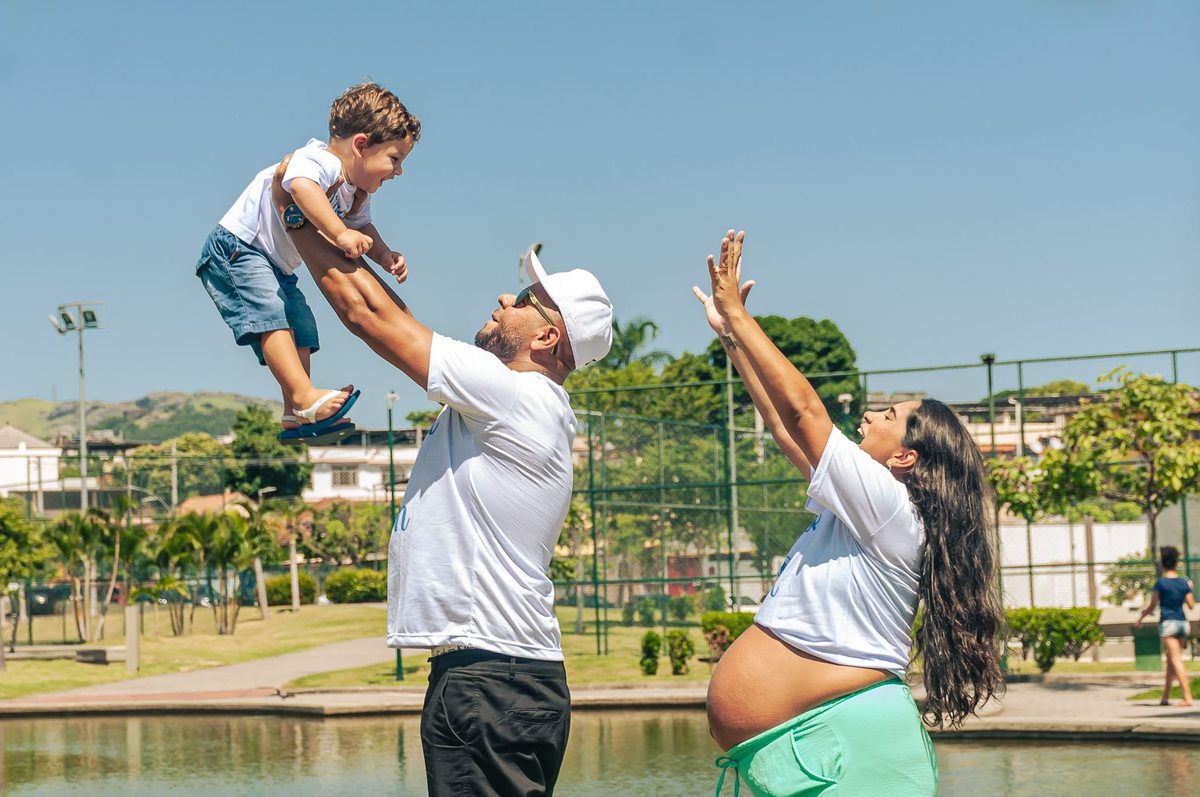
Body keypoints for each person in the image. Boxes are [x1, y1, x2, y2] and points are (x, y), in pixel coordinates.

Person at [270, 167, 613, 796]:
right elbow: (398, 317)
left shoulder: (518, 398)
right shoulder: (508, 402)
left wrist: (298, 217)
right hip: (497, 675)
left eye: (523, 300)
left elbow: (372, 317)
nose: (503, 302)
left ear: (546, 336)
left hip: (492, 679)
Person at [693, 231, 1004, 797]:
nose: (866, 417)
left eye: (886, 415)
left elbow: (807, 411)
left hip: (845, 748)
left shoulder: (890, 506)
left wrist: (739, 314)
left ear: (906, 456)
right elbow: (788, 430)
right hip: (828, 746)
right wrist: (734, 343)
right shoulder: (869, 508)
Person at [196, 82, 421, 441]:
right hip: (238, 248)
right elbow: (298, 186)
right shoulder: (320, 160)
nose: (397, 171)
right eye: (394, 159)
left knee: (301, 324)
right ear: (361, 145)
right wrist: (340, 233)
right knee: (271, 316)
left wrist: (384, 254)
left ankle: (297, 412)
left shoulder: (354, 192)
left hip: (276, 264)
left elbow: (363, 225)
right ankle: (303, 396)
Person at [1136, 546, 1196, 707]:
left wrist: (1141, 617)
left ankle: (1187, 697)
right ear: (1176, 563)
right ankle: (1165, 698)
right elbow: (1191, 605)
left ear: (1163, 564)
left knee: (1176, 660)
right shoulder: (1184, 582)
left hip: (1168, 624)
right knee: (1170, 661)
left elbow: (1153, 605)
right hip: (1183, 624)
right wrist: (1190, 588)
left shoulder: (1161, 583)